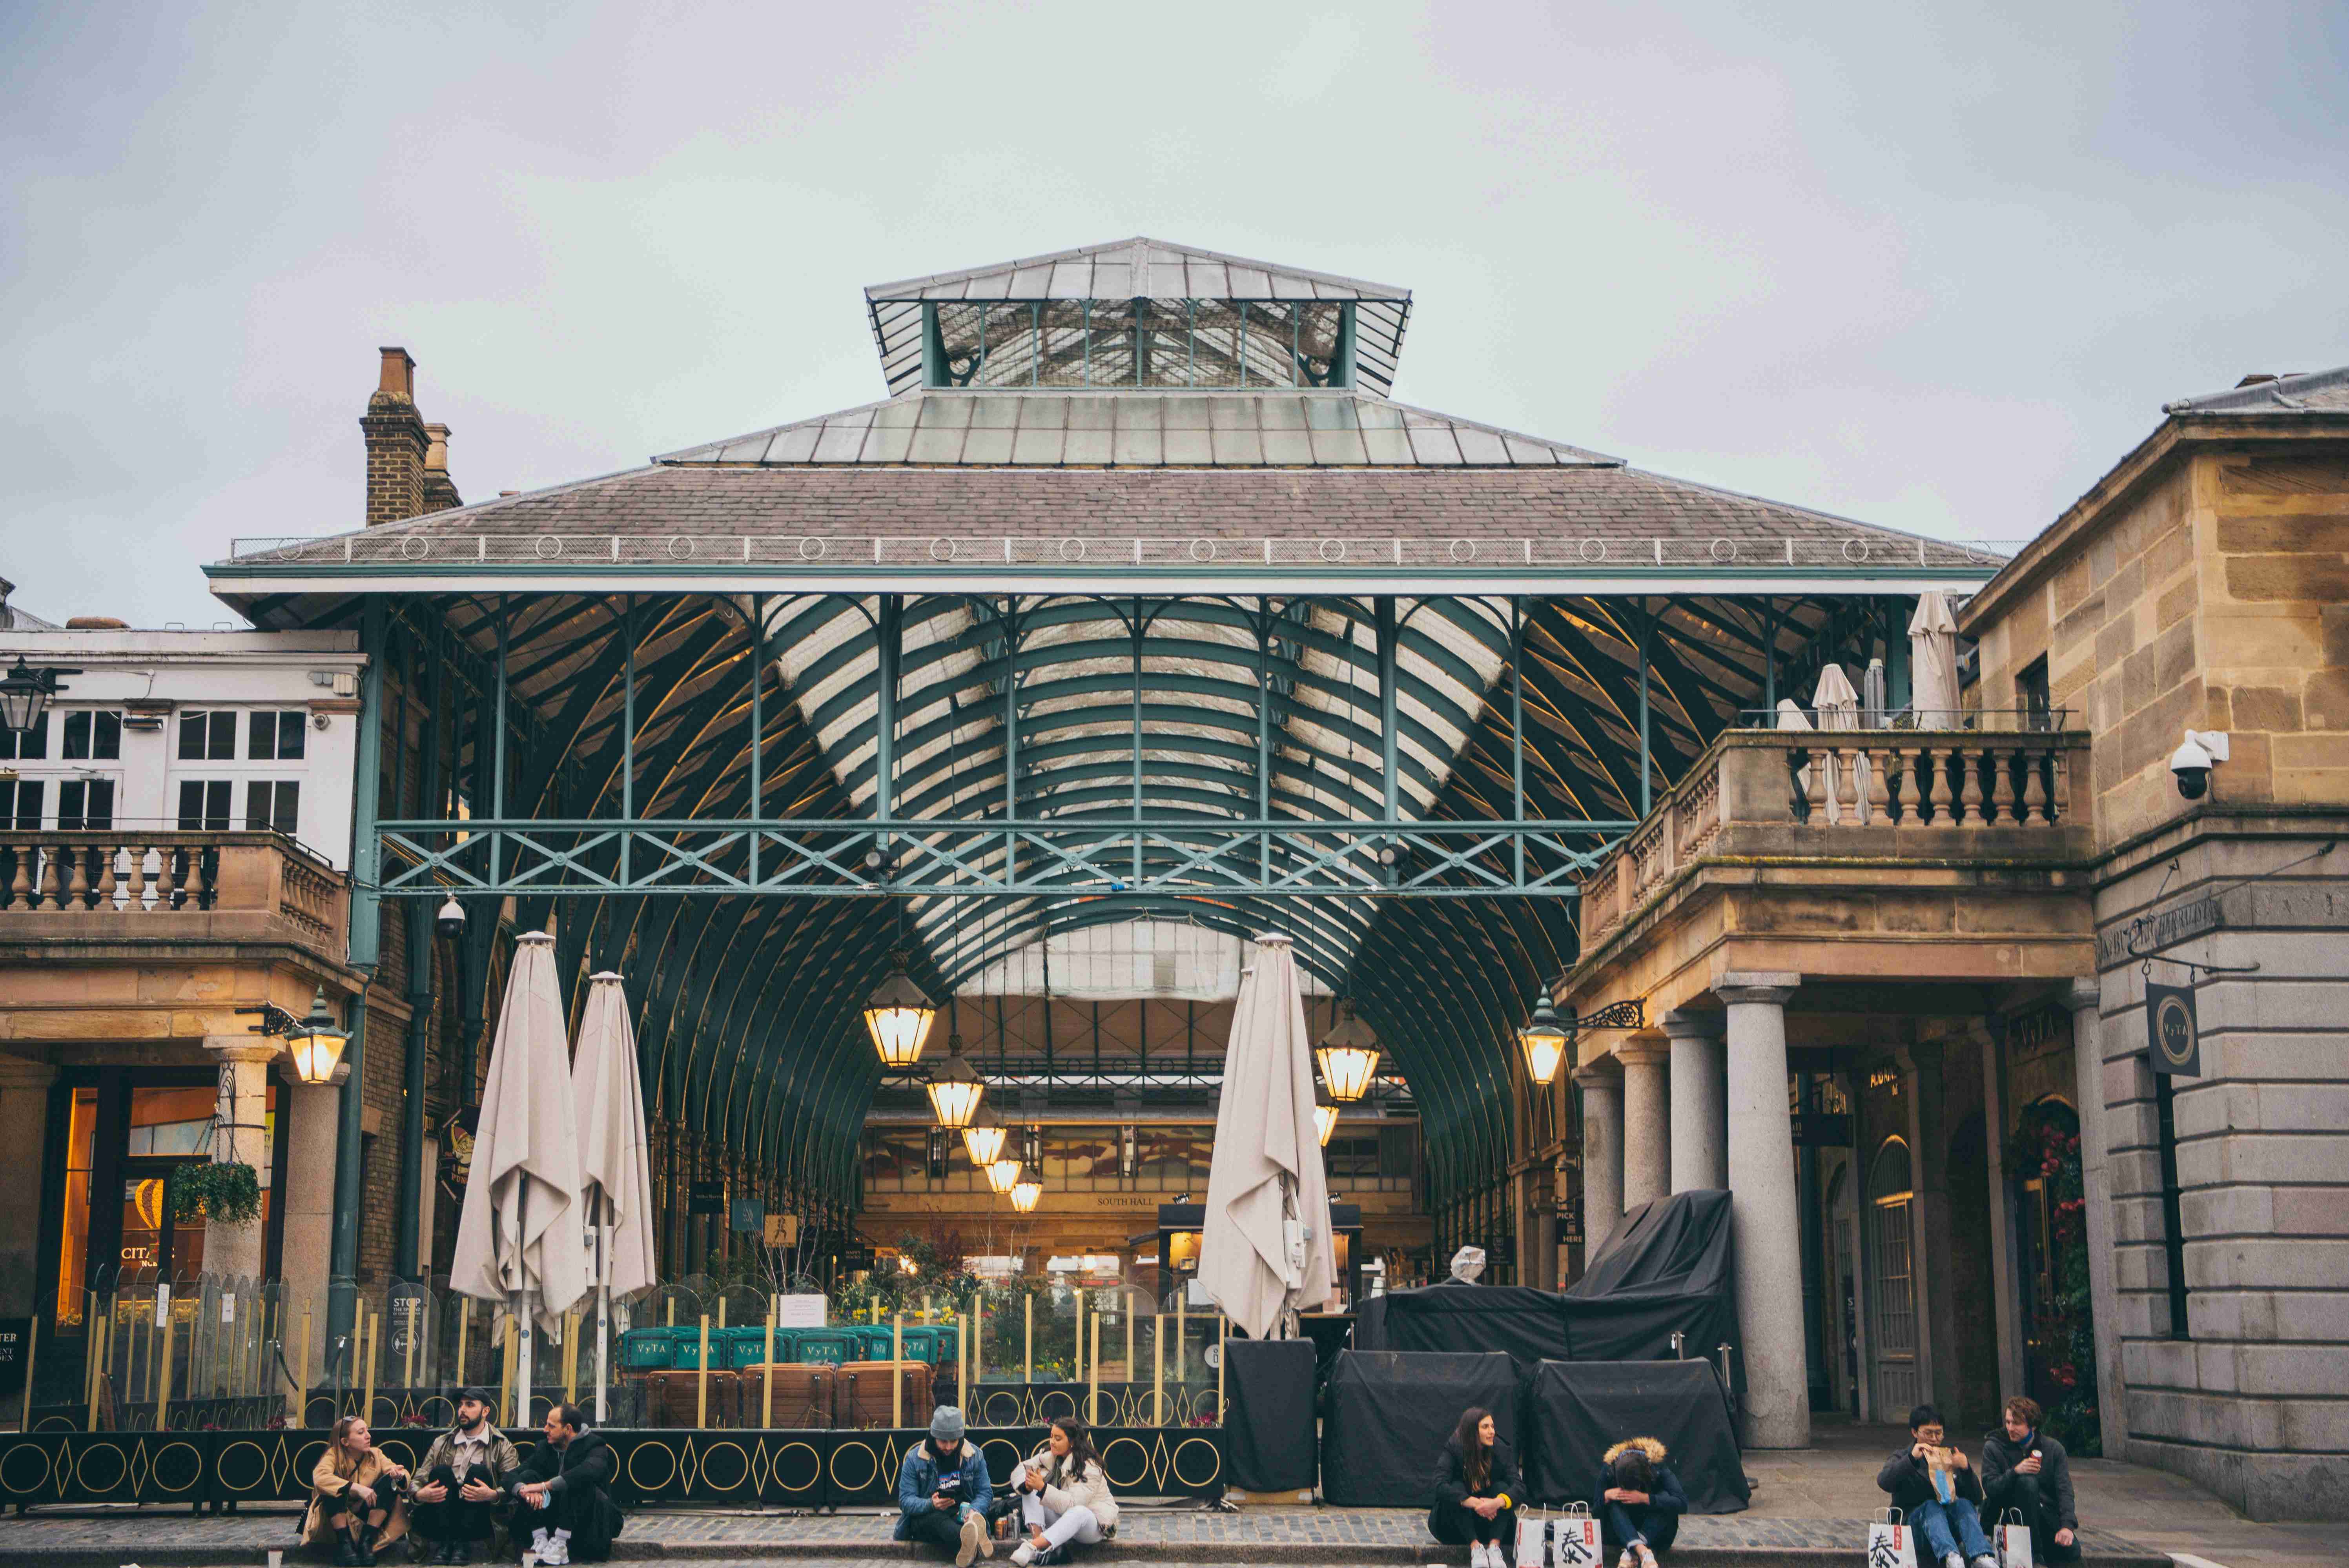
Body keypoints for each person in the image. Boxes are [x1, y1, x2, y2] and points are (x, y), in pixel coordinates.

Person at [412, 1388, 523, 1565]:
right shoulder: (442, 1442)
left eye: (470, 1405)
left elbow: (514, 1484)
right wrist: (419, 1494)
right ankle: (448, 1543)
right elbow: (418, 1480)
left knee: (478, 1473)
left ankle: (461, 1544)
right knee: (442, 1472)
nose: (462, 1410)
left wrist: (494, 1495)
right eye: (461, 1405)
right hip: (443, 1513)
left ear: (485, 1411)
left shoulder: (502, 1446)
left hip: (478, 1517)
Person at [1877, 1404, 1996, 1568]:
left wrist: (1966, 1469)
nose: (1934, 1439)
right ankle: (1951, 1558)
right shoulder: (1903, 1456)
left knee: (1963, 1504)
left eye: (1938, 1433)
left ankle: (1981, 1556)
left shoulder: (1948, 1458)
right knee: (1931, 1506)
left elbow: (1976, 1499)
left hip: (1947, 1527)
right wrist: (1912, 1460)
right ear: (1914, 1432)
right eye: (1928, 1433)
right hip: (1914, 1528)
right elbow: (1884, 1481)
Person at [504, 1404, 623, 1565]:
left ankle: (561, 1543)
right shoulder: (544, 1448)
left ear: (567, 1429)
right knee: (528, 1476)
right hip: (553, 1522)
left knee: (577, 1479)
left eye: (551, 1426)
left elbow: (589, 1471)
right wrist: (524, 1491)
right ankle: (541, 1539)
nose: (545, 1429)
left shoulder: (595, 1445)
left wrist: (543, 1486)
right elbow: (511, 1476)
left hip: (590, 1524)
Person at [1979, 1396, 2080, 1565]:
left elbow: (2065, 1491)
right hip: (2008, 1514)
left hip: (2043, 1514)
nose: (2010, 1428)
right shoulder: (1994, 1446)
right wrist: (2015, 1472)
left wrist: (2067, 1526)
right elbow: (1990, 1488)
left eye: (2016, 1424)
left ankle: (2044, 1552)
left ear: (2033, 1425)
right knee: (2028, 1482)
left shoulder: (2054, 1449)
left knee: (2072, 1551)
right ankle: (2036, 1556)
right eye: (2008, 1422)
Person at [1007, 1414, 1119, 1566]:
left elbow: (1072, 1505)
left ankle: (1032, 1547)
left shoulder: (1090, 1467)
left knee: (1079, 1511)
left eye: (1058, 1439)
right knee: (1030, 1487)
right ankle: (1037, 1543)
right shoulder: (1049, 1457)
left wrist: (1043, 1487)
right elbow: (1019, 1470)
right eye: (1051, 1437)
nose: (1052, 1442)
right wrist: (1028, 1485)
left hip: (1091, 1527)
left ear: (1072, 1442)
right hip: (1063, 1517)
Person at [895, 1405, 994, 1566]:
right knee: (937, 1519)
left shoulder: (974, 1456)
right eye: (943, 1442)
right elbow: (905, 1501)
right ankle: (972, 1541)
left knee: (961, 1523)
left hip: (960, 1517)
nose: (948, 1447)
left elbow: (985, 1493)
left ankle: (970, 1536)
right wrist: (931, 1504)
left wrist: (973, 1510)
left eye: (953, 1441)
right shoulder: (915, 1458)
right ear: (934, 1437)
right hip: (927, 1519)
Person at [304, 1416, 410, 1566]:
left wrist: (399, 1476)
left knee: (390, 1483)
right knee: (332, 1488)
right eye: (361, 1433)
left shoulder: (376, 1454)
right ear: (345, 1442)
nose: (368, 1436)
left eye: (367, 1430)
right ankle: (345, 1546)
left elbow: (401, 1472)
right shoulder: (333, 1455)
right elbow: (320, 1478)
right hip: (339, 1518)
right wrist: (356, 1488)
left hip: (367, 1515)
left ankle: (367, 1542)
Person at [1427, 1406, 1521, 1568]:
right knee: (1455, 1487)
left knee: (1502, 1489)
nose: (1492, 1431)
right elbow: (1439, 1484)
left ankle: (1494, 1548)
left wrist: (1497, 1503)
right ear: (1472, 1431)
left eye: (1492, 1426)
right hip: (1458, 1527)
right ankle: (1475, 1547)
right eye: (1485, 1427)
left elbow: (1519, 1487)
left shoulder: (1500, 1449)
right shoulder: (1455, 1447)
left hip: (1492, 1524)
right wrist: (1473, 1502)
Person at [1590, 1437, 1687, 1567]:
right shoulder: (1609, 1469)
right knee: (1613, 1503)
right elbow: (1596, 1513)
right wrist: (1606, 1497)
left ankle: (1631, 1552)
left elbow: (1682, 1504)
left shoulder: (1657, 1468)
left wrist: (1645, 1498)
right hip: (1620, 1531)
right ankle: (1642, 1552)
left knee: (1665, 1498)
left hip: (1656, 1531)